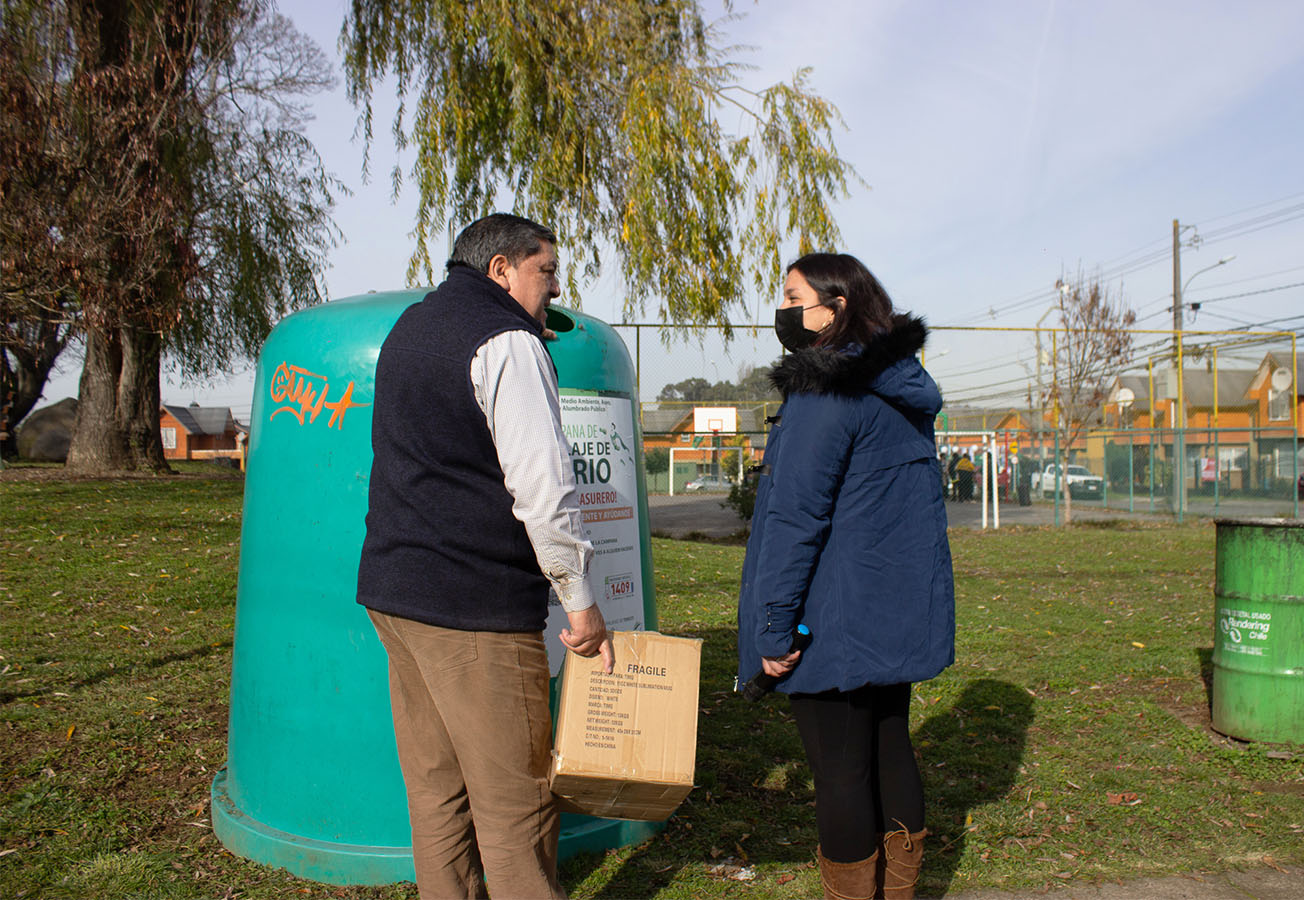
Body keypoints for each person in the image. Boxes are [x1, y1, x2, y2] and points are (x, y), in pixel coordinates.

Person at [357, 213, 614, 900]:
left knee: (437, 791)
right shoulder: (506, 339)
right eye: (546, 270)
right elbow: (544, 489)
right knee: (515, 806)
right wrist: (580, 603)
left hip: (395, 592)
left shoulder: (412, 327)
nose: (554, 287)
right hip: (472, 607)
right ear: (501, 269)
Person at [736, 252, 955, 900]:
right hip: (890, 609)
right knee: (890, 750)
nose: (782, 310)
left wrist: (773, 628)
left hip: (832, 616)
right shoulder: (900, 385)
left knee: (839, 773)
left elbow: (793, 519)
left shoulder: (826, 390)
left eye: (792, 295)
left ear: (835, 309)